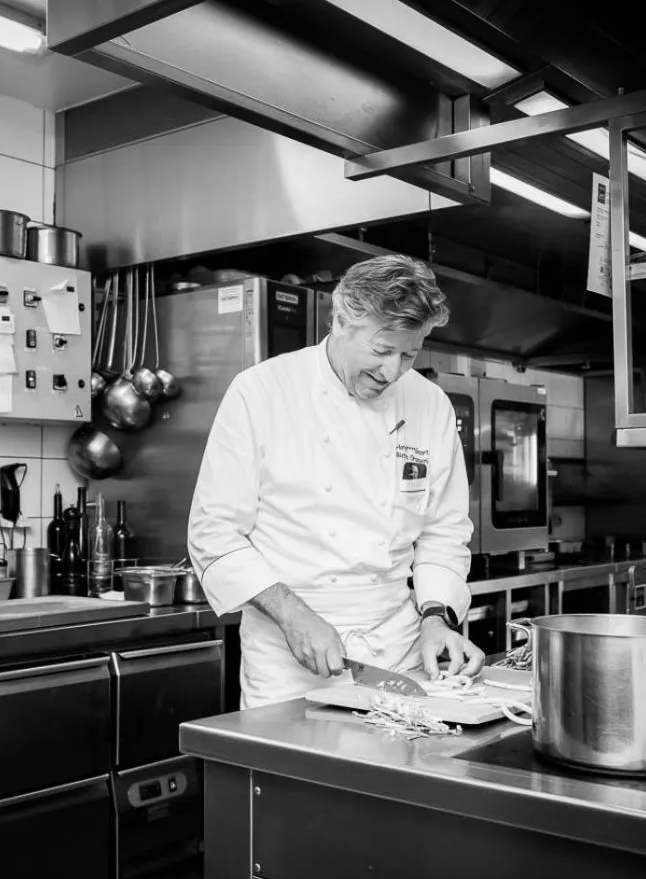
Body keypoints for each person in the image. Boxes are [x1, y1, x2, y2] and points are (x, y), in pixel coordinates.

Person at [188, 254, 483, 711]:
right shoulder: (261, 392)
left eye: (409, 354)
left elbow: (443, 533)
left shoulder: (431, 405)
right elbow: (215, 532)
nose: (393, 372)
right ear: (341, 320)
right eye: (382, 351)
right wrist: (292, 614)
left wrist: (436, 619)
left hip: (399, 651)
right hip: (290, 661)